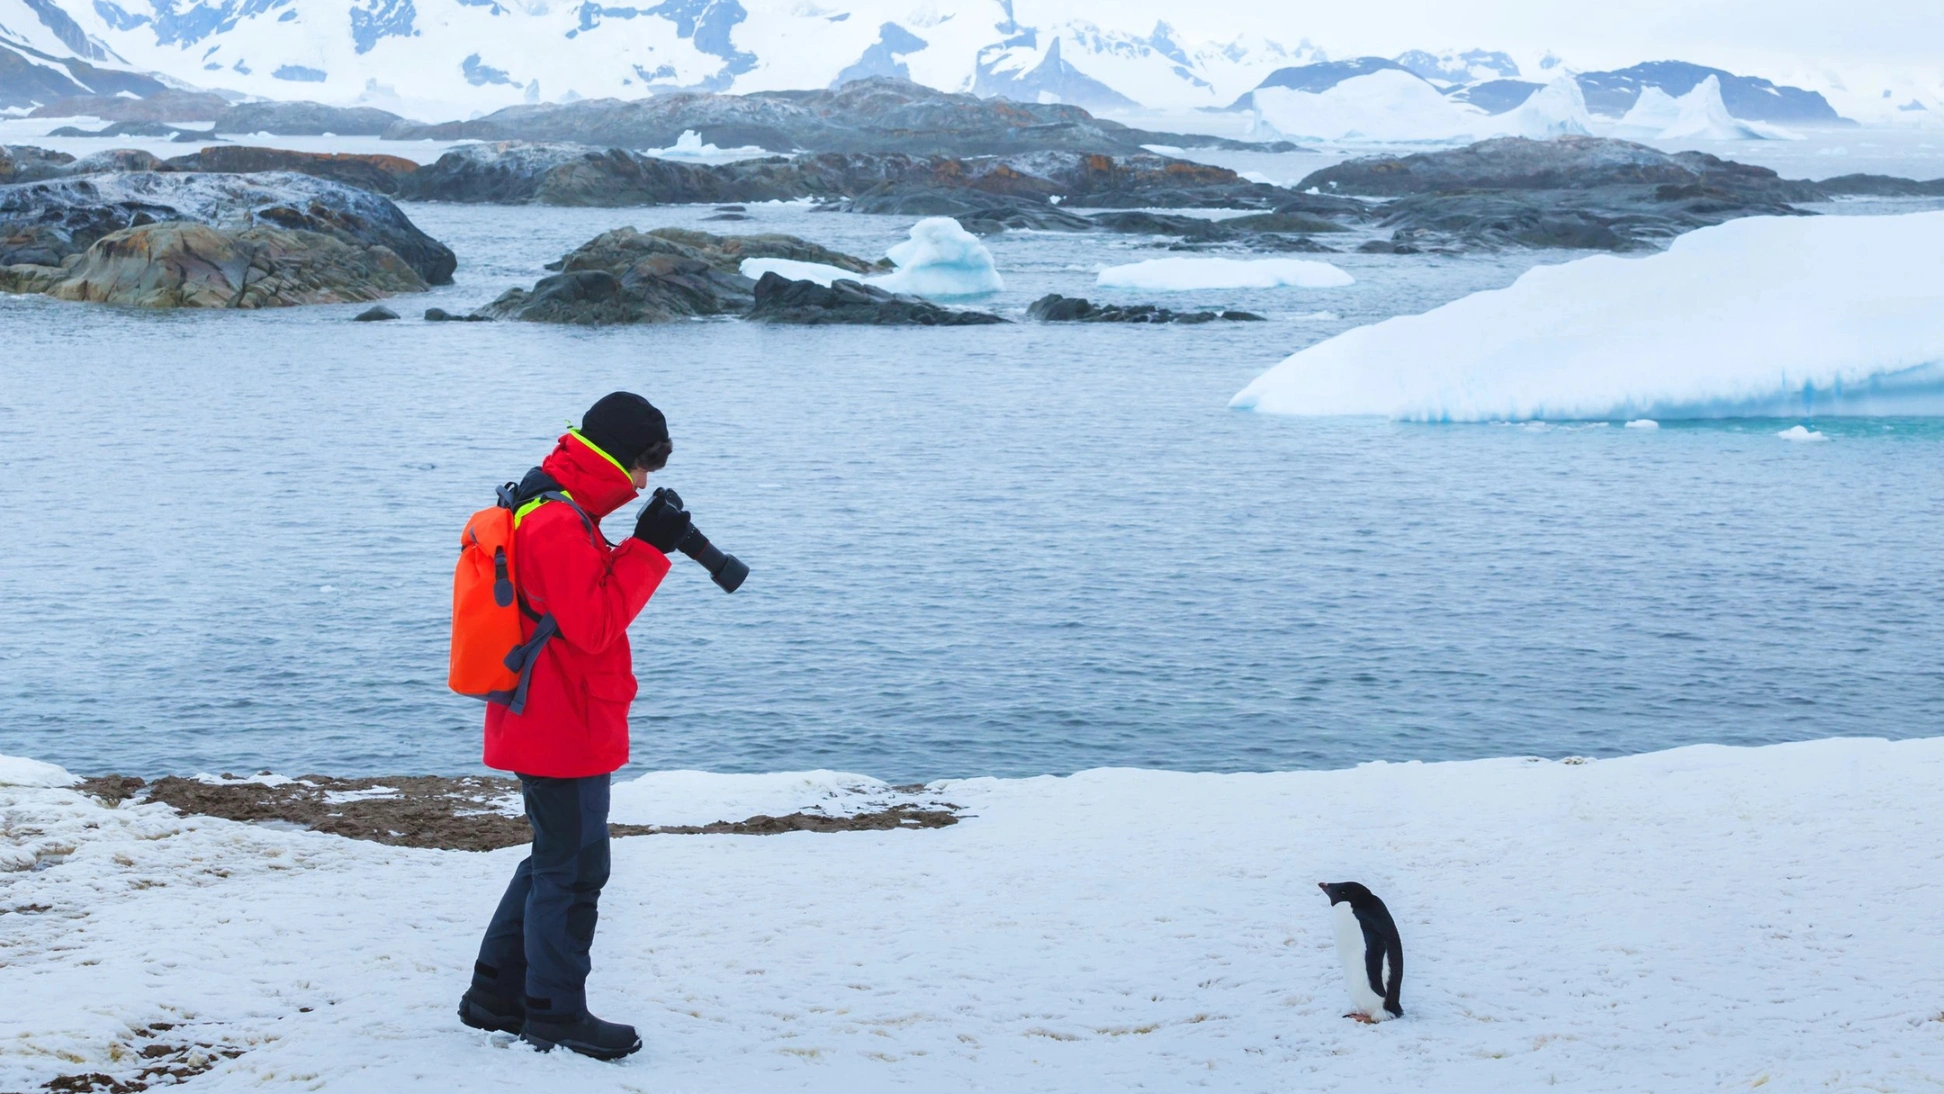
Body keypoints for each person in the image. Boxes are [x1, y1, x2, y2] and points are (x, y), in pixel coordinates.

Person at [457, 392, 702, 1060]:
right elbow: (593, 626)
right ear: (617, 460)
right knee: (574, 870)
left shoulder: (558, 503)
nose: (644, 483)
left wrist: (634, 547)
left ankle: (495, 996)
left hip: (554, 716)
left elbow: (575, 608)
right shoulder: (557, 522)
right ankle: (555, 1013)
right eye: (642, 467)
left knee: (556, 860)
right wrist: (648, 551)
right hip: (559, 723)